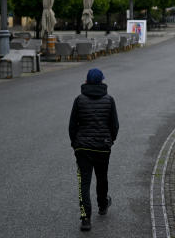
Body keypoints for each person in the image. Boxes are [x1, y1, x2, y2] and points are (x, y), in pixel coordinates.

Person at [69, 68, 119, 232]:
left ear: (87, 81)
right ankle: (103, 205)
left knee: (83, 182)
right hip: (103, 147)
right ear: (101, 82)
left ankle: (85, 219)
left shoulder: (79, 100)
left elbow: (72, 126)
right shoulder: (109, 100)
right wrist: (110, 140)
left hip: (83, 147)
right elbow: (114, 125)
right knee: (102, 177)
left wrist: (75, 144)